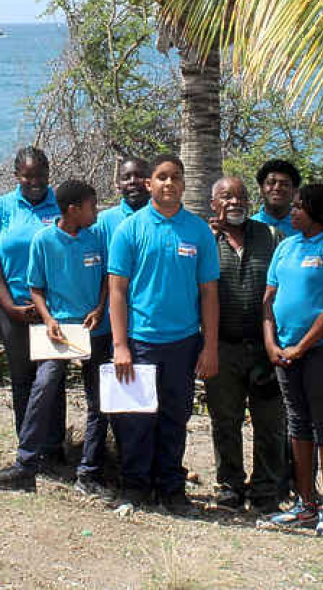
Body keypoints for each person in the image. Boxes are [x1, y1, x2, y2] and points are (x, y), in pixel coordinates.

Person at [107, 154, 220, 513]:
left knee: (175, 417)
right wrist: (121, 344)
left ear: (184, 184)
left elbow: (209, 293)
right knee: (136, 419)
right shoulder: (131, 229)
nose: (169, 183)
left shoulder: (198, 231)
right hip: (140, 342)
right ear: (149, 184)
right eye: (162, 177)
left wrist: (210, 346)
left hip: (183, 343)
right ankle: (135, 487)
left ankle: (171, 488)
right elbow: (117, 291)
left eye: (176, 177)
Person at [0, 180, 106, 492]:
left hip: (95, 329)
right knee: (43, 387)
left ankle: (89, 472)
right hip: (59, 332)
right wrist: (48, 318)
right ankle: (26, 464)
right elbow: (35, 288)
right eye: (92, 206)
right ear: (73, 209)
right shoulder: (43, 240)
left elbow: (109, 278)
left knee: (98, 400)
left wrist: (99, 307)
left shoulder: (97, 238)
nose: (96, 211)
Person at [260, 183, 323, 534]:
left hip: (319, 352)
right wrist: (271, 343)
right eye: (294, 206)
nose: (293, 210)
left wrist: (304, 345)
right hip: (283, 351)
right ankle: (305, 502)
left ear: (318, 211)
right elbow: (269, 299)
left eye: (300, 206)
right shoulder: (285, 247)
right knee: (297, 424)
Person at [204, 176, 286, 514]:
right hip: (222, 345)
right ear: (213, 204)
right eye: (225, 197)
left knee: (269, 422)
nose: (234, 202)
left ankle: (266, 489)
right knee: (225, 420)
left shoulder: (270, 236)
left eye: (240, 197)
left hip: (265, 346)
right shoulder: (205, 240)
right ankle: (230, 487)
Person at [0, 147, 66, 464]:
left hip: (55, 311)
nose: (35, 181)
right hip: (13, 308)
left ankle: (54, 449)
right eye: (28, 175)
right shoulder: (1, 208)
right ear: (17, 175)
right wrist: (7, 304)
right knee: (23, 379)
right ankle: (28, 448)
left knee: (53, 380)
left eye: (40, 175)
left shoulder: (60, 206)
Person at [74, 155, 150, 496]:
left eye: (139, 176)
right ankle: (91, 469)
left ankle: (139, 473)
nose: (133, 182)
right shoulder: (104, 222)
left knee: (141, 403)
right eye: (127, 177)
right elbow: (92, 268)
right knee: (100, 402)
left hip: (148, 329)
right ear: (117, 183)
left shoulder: (161, 219)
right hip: (104, 327)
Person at [250, 159, 301, 237]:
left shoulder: (306, 226)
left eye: (285, 184)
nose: (277, 188)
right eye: (271, 183)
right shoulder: (249, 227)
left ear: (295, 190)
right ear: (260, 188)